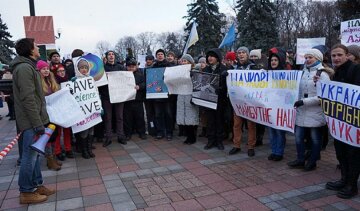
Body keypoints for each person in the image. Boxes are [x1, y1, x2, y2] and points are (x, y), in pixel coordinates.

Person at [10, 38, 55, 204]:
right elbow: (28, 98)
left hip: (35, 119)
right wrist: (37, 123)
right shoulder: (23, 68)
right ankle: (26, 191)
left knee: (35, 155)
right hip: (30, 122)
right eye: (35, 46)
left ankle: (37, 185)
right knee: (29, 157)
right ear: (30, 50)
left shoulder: (28, 66)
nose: (37, 48)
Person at [325, 44, 360, 199]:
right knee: (340, 152)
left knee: (352, 154)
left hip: (353, 122)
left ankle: (352, 185)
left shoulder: (355, 69)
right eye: (333, 56)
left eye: (339, 55)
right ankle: (344, 179)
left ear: (347, 55)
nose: (336, 58)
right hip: (340, 122)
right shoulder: (336, 71)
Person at [287, 49, 330, 171]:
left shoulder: (323, 74)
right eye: (306, 58)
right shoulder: (303, 72)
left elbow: (323, 96)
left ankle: (312, 161)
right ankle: (300, 159)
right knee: (299, 137)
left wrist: (303, 101)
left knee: (315, 139)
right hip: (301, 111)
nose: (307, 60)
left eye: (310, 57)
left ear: (318, 59)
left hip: (315, 112)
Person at [229, 46, 257, 157]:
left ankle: (251, 146)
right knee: (236, 125)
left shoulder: (254, 67)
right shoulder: (234, 68)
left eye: (243, 53)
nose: (241, 54)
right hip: (238, 102)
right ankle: (236, 145)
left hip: (250, 101)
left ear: (247, 54)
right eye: (239, 53)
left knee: (251, 125)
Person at [36, 60, 62, 171]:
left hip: (53, 114)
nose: (46, 70)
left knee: (54, 135)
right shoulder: (38, 83)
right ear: (39, 70)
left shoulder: (51, 81)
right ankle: (49, 160)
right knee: (47, 136)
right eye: (43, 69)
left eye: (47, 68)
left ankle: (53, 157)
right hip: (44, 115)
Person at [99, 50, 127, 147]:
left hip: (119, 96)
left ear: (115, 56)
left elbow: (126, 79)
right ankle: (108, 137)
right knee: (108, 117)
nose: (111, 56)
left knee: (119, 117)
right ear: (106, 57)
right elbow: (99, 82)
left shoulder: (121, 67)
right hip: (107, 96)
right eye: (109, 55)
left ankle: (120, 136)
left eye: (112, 54)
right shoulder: (102, 69)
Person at [203, 48, 228, 150]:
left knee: (219, 120)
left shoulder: (223, 69)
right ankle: (210, 140)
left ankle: (219, 141)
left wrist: (221, 88)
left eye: (212, 56)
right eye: (208, 56)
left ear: (217, 58)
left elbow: (228, 86)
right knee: (210, 121)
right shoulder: (206, 70)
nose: (210, 58)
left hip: (220, 100)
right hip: (209, 100)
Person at [267, 47, 288, 161]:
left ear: (280, 61)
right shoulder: (266, 74)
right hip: (269, 107)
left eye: (275, 60)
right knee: (271, 132)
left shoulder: (286, 75)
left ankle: (279, 152)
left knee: (279, 132)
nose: (273, 62)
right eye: (271, 60)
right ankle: (274, 151)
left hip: (281, 108)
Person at [73, 58, 97, 158]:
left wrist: (98, 106)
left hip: (92, 109)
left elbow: (96, 92)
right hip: (82, 110)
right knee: (84, 130)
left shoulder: (91, 79)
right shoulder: (75, 80)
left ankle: (89, 148)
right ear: (78, 69)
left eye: (86, 67)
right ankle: (84, 151)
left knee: (91, 129)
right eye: (81, 67)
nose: (84, 70)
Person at [152, 49, 174, 140]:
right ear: (156, 56)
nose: (160, 55)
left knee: (168, 114)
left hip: (167, 95)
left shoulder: (170, 66)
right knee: (158, 114)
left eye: (161, 54)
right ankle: (160, 132)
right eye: (158, 54)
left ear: (164, 56)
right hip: (157, 95)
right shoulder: (153, 68)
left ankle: (169, 132)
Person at [53, 64, 74, 160]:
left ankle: (68, 148)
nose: (61, 73)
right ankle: (57, 151)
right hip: (57, 110)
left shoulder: (69, 81)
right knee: (58, 131)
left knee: (67, 130)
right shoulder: (54, 83)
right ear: (56, 73)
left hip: (67, 109)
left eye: (63, 71)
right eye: (59, 71)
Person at [177, 54, 199, 145]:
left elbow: (198, 85)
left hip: (190, 95)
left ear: (190, 62)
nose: (183, 62)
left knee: (191, 116)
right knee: (183, 116)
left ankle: (192, 137)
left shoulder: (194, 72)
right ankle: (187, 136)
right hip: (181, 95)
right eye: (182, 61)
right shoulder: (179, 72)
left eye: (185, 61)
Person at [123, 57, 147, 140]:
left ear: (136, 66)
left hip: (138, 99)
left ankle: (142, 133)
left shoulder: (140, 74)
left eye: (133, 66)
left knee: (140, 117)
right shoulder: (123, 74)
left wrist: (139, 86)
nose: (131, 68)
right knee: (127, 118)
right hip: (127, 100)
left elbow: (145, 83)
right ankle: (128, 134)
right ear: (126, 67)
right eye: (129, 66)